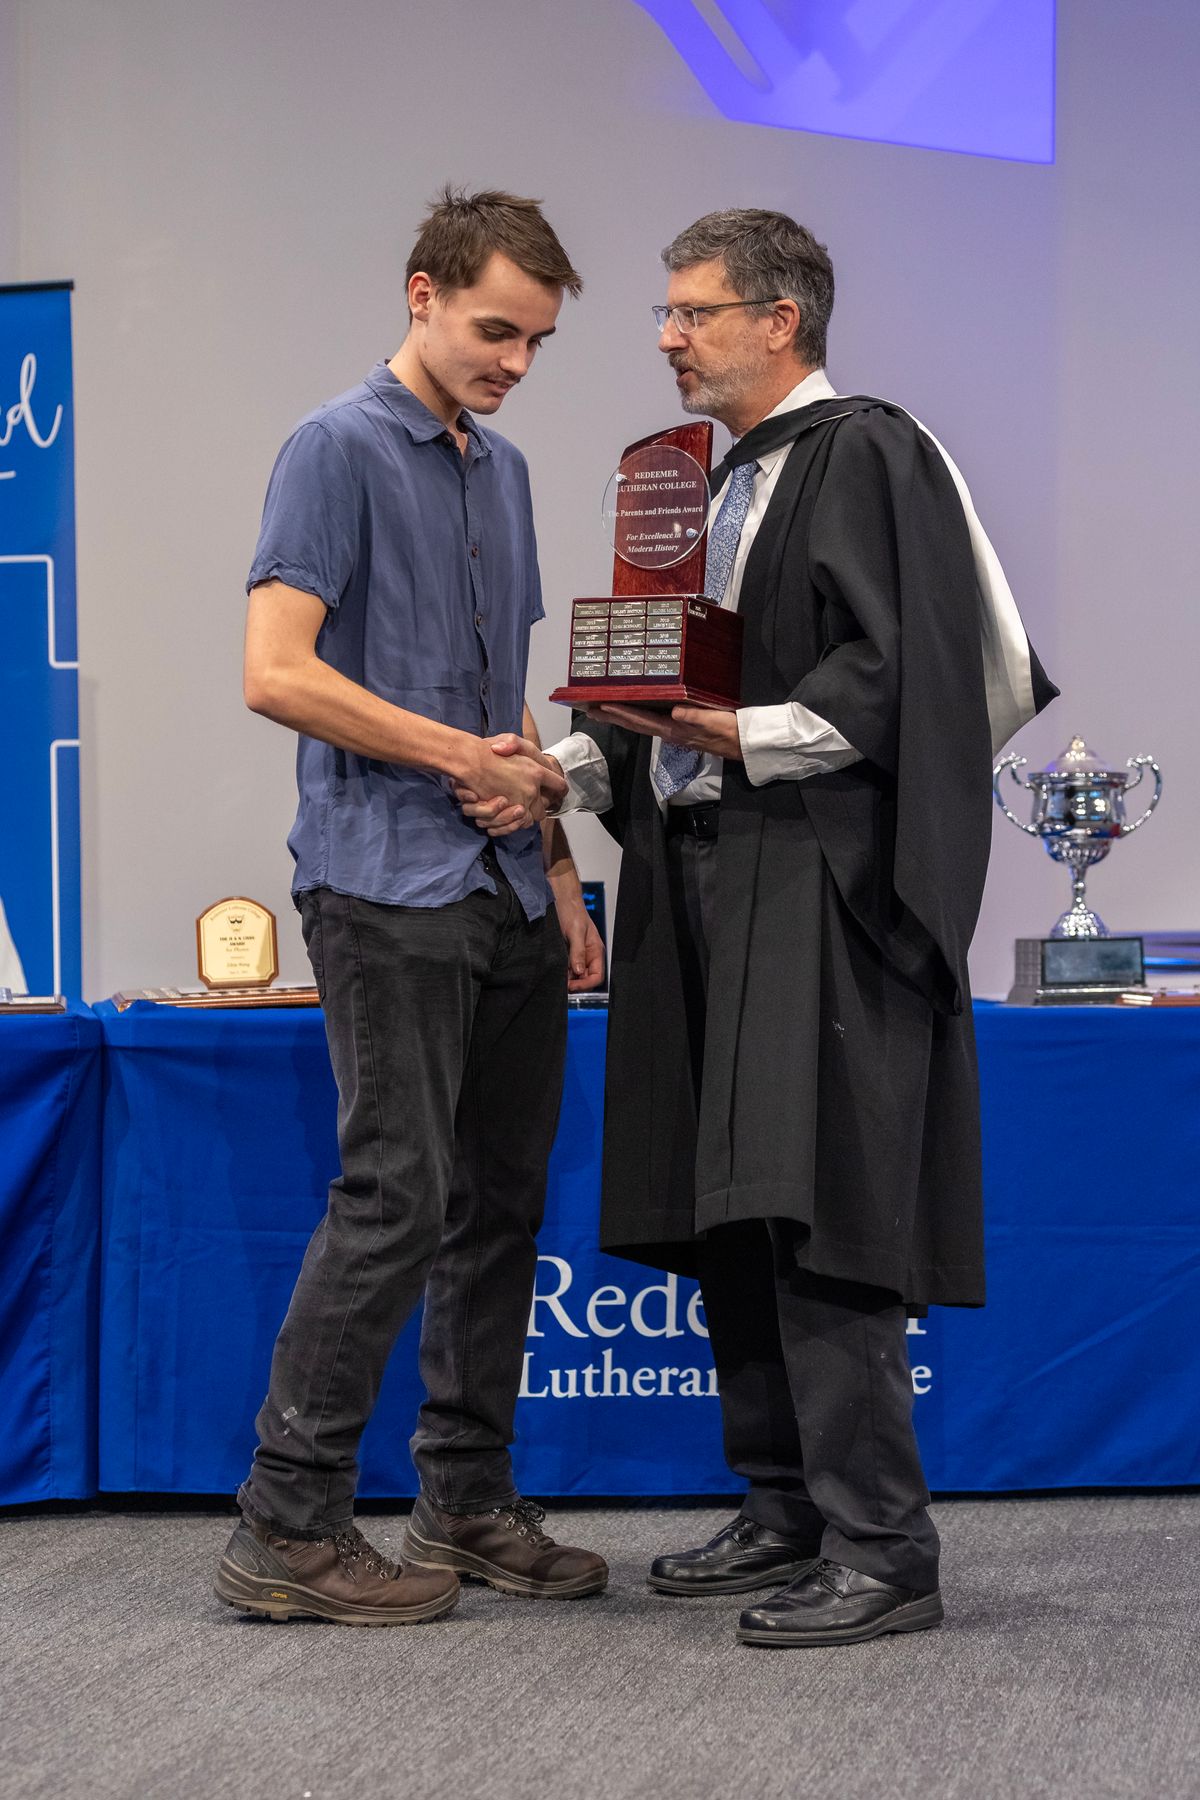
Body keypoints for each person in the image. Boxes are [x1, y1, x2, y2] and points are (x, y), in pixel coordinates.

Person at [457, 208, 1057, 1647]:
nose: (666, 337)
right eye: (668, 314)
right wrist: (569, 768)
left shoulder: (873, 451)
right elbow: (669, 683)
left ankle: (882, 1546)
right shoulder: (694, 482)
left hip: (814, 878)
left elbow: (903, 667)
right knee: (728, 1196)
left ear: (780, 320)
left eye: (693, 312)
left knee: (817, 1196)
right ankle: (784, 1505)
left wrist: (749, 734)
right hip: (695, 876)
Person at [214, 187, 608, 1629]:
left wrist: (557, 871)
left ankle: (466, 1502)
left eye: (537, 341)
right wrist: (460, 760)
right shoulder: (333, 446)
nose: (515, 361)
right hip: (381, 883)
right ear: (421, 294)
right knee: (399, 1198)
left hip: (504, 893)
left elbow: (498, 696)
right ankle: (285, 1525)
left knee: (501, 1205)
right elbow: (275, 672)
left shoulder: (502, 470)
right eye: (497, 330)